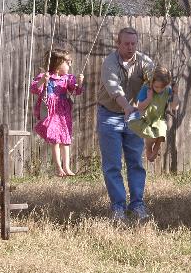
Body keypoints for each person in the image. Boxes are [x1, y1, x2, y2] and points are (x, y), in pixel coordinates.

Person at [97, 26, 155, 222]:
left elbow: (154, 81)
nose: (130, 47)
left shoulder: (144, 62)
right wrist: (127, 108)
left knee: (135, 163)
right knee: (112, 164)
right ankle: (118, 206)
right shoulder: (109, 63)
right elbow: (114, 90)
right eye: (126, 44)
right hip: (109, 115)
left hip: (134, 116)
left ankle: (137, 204)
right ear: (118, 43)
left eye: (133, 43)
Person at [30, 48, 84, 177]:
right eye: (68, 62)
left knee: (65, 139)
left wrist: (80, 83)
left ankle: (67, 167)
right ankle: (59, 167)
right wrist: (43, 80)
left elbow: (76, 92)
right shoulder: (46, 76)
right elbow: (34, 89)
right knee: (55, 140)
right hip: (50, 111)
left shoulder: (68, 78)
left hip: (63, 112)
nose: (70, 64)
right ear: (58, 64)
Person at [128, 66, 180, 162]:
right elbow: (139, 107)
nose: (159, 90)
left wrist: (175, 94)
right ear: (151, 82)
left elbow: (174, 107)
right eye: (156, 87)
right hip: (146, 118)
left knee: (162, 132)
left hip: (159, 118)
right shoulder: (146, 89)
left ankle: (156, 149)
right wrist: (149, 99)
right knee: (151, 136)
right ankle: (148, 147)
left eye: (162, 87)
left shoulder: (168, 90)